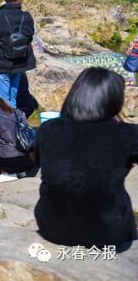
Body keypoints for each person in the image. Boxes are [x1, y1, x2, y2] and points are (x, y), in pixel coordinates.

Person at [35, 67, 138, 252]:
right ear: (113, 100)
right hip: (107, 231)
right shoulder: (127, 134)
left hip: (52, 226)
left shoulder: (48, 129)